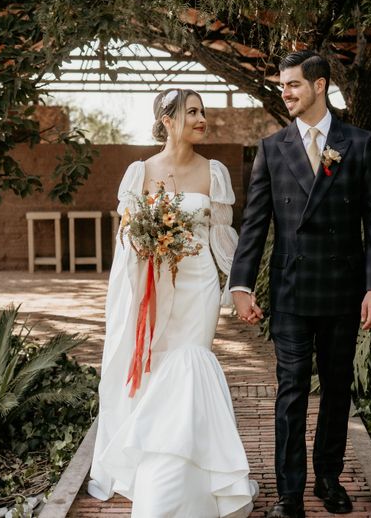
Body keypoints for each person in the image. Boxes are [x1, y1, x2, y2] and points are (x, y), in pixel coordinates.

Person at [229, 50, 371, 518]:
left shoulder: (357, 143)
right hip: (292, 290)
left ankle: (328, 478)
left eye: (294, 84)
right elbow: (255, 223)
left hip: (343, 290)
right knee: (291, 389)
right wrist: (242, 284)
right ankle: (290, 494)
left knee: (337, 388)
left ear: (319, 86)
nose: (286, 92)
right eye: (283, 85)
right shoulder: (272, 147)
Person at [87, 88, 257, 517]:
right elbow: (127, 238)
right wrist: (143, 263)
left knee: (189, 362)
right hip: (153, 287)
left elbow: (221, 238)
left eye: (204, 111)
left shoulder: (213, 172)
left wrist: (240, 285)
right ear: (167, 119)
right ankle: (159, 472)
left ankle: (192, 479)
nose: (203, 118)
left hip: (197, 284)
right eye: (193, 112)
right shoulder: (138, 172)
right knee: (156, 371)